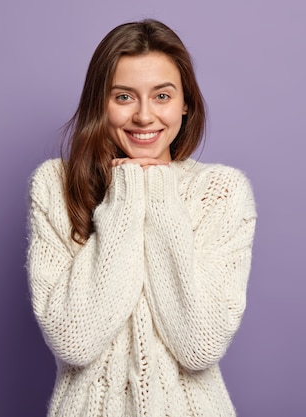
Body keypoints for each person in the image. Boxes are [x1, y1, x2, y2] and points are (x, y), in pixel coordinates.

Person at [27, 19, 257, 417]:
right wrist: (128, 194)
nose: (145, 116)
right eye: (124, 97)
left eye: (162, 95)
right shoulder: (54, 186)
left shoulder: (223, 192)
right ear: (101, 102)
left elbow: (198, 344)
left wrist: (160, 194)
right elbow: (76, 340)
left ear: (186, 103)